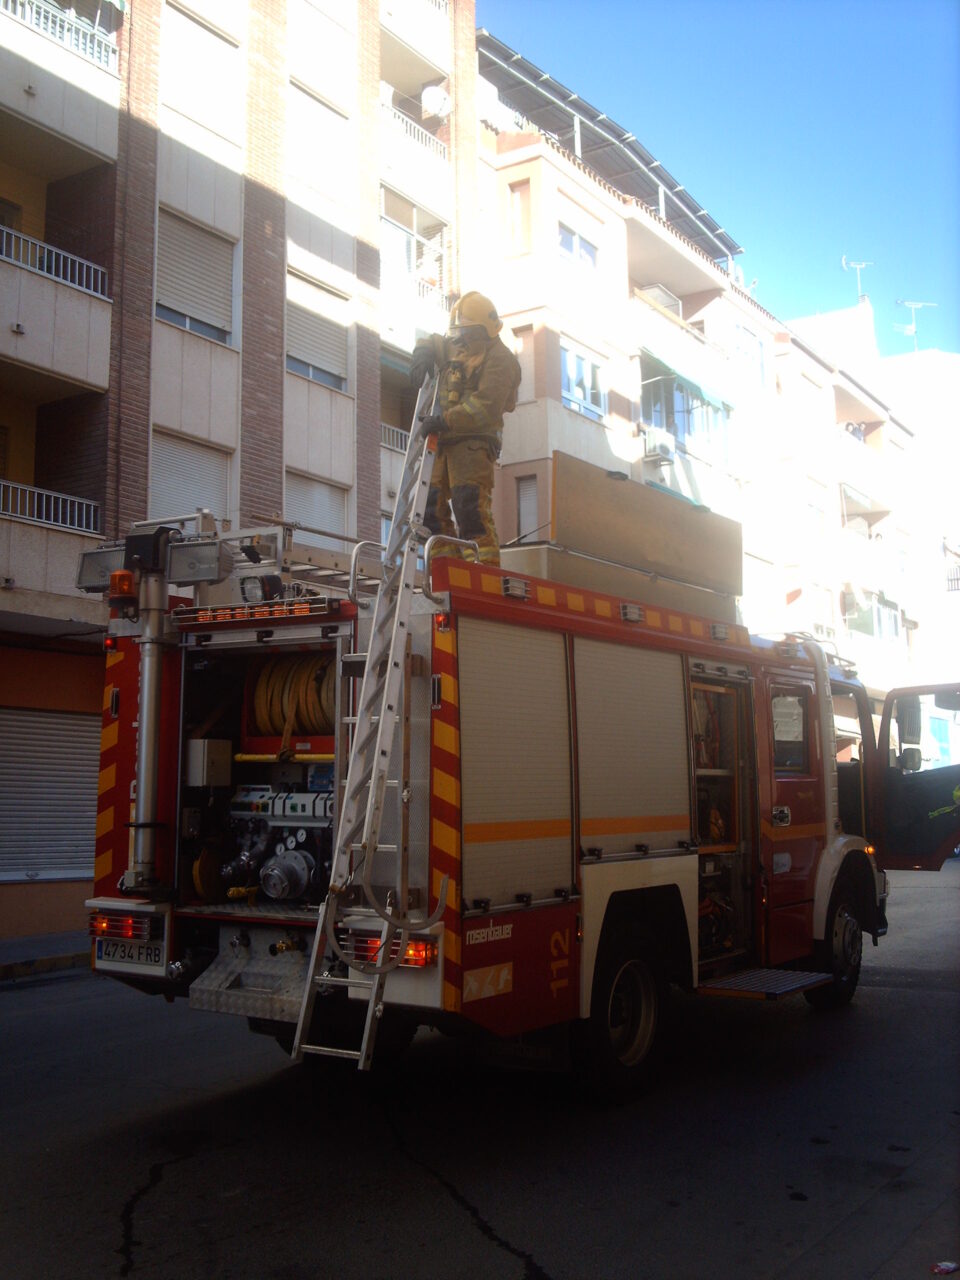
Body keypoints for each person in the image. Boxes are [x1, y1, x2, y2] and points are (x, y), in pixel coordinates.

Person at [411, 291, 521, 567]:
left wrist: (446, 421)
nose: (461, 339)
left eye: (467, 332)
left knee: (469, 509)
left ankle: (483, 573)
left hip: (473, 445)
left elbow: (486, 406)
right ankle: (449, 570)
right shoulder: (460, 346)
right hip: (445, 440)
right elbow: (434, 341)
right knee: (429, 510)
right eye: (459, 332)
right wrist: (422, 351)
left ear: (484, 331)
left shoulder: (501, 360)